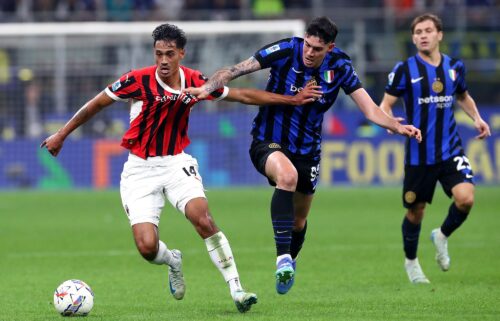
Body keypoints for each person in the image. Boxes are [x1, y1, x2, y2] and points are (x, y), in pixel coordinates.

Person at [40, 23, 321, 312]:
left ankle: (237, 289)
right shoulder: (137, 80)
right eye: (159, 53)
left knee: (204, 220)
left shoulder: (197, 82)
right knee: (147, 248)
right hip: (139, 170)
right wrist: (62, 133)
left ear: (181, 54)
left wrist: (291, 100)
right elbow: (96, 104)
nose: (163, 60)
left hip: (176, 163)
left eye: (169, 54)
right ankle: (173, 260)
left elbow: (243, 95)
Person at [186, 16, 422, 294]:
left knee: (299, 221)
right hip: (268, 140)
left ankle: (291, 259)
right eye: (308, 45)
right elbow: (235, 70)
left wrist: (397, 125)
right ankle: (282, 258)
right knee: (287, 176)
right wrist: (206, 88)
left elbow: (370, 110)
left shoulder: (341, 67)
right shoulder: (286, 49)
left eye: (317, 49)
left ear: (330, 48)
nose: (309, 53)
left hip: (308, 149)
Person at [379, 13, 491, 284]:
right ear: (413, 37)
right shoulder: (404, 70)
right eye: (418, 32)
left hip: (450, 149)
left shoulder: (454, 67)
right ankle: (411, 263)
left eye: (428, 30)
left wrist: (476, 118)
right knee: (415, 212)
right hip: (419, 155)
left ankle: (441, 235)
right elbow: (385, 104)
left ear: (439, 34)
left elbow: (463, 95)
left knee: (466, 198)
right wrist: (390, 122)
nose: (423, 35)